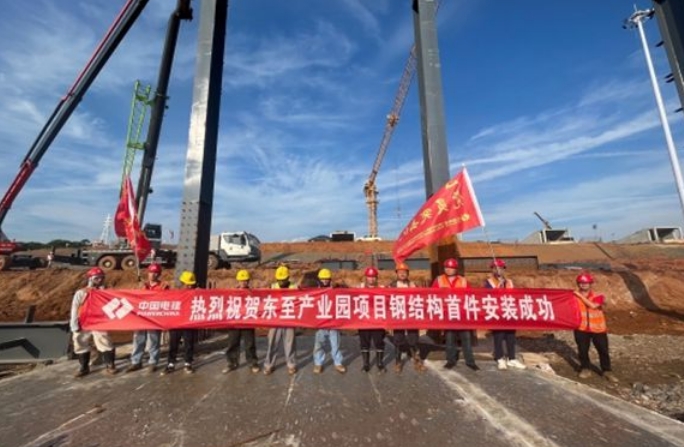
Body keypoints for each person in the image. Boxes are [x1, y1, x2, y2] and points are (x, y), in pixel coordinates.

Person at [432, 258, 479, 371]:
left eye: (451, 268)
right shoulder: (439, 280)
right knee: (449, 338)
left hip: (462, 314)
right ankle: (450, 360)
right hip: (448, 314)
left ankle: (470, 361)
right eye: (447, 267)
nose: (448, 269)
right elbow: (433, 294)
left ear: (456, 269)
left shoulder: (463, 281)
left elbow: (470, 296)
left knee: (466, 338)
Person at [70, 267, 118, 377]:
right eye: (97, 278)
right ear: (90, 279)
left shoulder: (105, 292)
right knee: (80, 343)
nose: (99, 280)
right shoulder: (81, 293)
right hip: (84, 322)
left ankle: (110, 365)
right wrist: (74, 324)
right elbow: (75, 308)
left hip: (99, 322)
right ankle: (84, 367)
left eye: (101, 278)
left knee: (105, 342)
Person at [574, 272, 618, 383]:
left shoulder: (598, 296)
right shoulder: (573, 297)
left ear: (590, 284)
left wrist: (578, 295)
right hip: (581, 328)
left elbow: (593, 306)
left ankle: (607, 370)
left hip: (598, 329)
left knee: (603, 350)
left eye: (586, 283)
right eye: (581, 283)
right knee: (582, 350)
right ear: (578, 284)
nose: (583, 285)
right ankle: (585, 368)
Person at [126, 263, 167, 374]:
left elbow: (167, 300)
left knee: (153, 340)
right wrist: (140, 288)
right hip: (141, 317)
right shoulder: (142, 285)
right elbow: (132, 297)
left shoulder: (163, 286)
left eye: (155, 273)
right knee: (138, 339)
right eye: (151, 272)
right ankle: (136, 361)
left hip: (154, 318)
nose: (153, 275)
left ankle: (153, 362)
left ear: (159, 274)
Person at [485, 259, 526, 371]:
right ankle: (499, 357)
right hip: (497, 313)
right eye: (495, 268)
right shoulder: (489, 282)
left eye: (500, 268)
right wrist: (498, 287)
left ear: (504, 269)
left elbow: (514, 295)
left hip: (509, 312)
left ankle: (511, 358)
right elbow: (487, 296)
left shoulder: (509, 282)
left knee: (510, 336)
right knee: (498, 336)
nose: (498, 270)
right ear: (492, 270)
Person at [389, 262, 426, 373]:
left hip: (411, 316)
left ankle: (417, 361)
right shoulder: (391, 286)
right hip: (398, 316)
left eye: (404, 272)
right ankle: (398, 362)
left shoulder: (413, 285)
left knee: (413, 339)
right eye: (400, 272)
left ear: (408, 273)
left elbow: (421, 298)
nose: (402, 274)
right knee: (398, 340)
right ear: (396, 273)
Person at [161, 270, 198, 375]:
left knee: (189, 343)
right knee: (173, 343)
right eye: (188, 284)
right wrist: (164, 292)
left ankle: (188, 363)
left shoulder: (196, 293)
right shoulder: (174, 293)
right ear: (182, 283)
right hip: (176, 322)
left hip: (189, 322)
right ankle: (171, 363)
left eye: (191, 284)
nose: (190, 286)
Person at [223, 269, 260, 374]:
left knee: (250, 343)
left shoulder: (253, 293)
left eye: (245, 280)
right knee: (233, 343)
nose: (243, 283)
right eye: (242, 280)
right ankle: (232, 363)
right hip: (235, 322)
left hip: (248, 321)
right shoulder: (232, 292)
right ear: (238, 281)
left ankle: (252, 362)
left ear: (248, 281)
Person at [263, 265, 298, 375]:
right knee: (272, 343)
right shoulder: (272, 287)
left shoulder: (294, 287)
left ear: (288, 278)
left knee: (290, 343)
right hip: (275, 320)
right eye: (279, 280)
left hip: (289, 319)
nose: (281, 282)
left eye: (283, 279)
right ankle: (269, 365)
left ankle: (291, 364)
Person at [312, 268, 346, 374]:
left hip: (333, 321)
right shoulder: (314, 291)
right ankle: (318, 363)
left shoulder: (335, 289)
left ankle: (338, 362)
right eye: (323, 279)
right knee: (319, 344)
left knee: (335, 343)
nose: (325, 281)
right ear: (319, 279)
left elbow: (346, 292)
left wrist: (340, 286)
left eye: (327, 279)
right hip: (321, 321)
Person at [358, 267, 387, 373]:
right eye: (369, 277)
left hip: (378, 320)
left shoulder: (382, 288)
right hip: (364, 320)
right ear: (366, 278)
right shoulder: (360, 288)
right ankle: (366, 363)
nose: (371, 279)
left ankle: (380, 363)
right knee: (364, 342)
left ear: (376, 278)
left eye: (373, 277)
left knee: (379, 341)